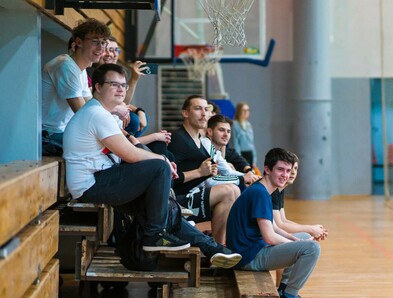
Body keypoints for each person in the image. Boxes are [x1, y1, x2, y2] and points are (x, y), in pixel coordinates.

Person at [62, 63, 241, 268]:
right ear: (98, 88)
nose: (121, 89)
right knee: (159, 168)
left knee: (168, 210)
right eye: (114, 84)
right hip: (91, 184)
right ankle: (154, 236)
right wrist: (163, 161)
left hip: (102, 179)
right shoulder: (96, 114)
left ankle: (212, 249)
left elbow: (132, 145)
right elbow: (130, 155)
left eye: (123, 85)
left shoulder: (102, 113)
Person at [226, 148, 321, 298]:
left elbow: (275, 228)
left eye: (288, 170)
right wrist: (296, 247)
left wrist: (295, 240)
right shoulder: (260, 193)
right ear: (267, 169)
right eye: (280, 170)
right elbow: (269, 236)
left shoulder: (264, 190)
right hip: (249, 257)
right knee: (312, 249)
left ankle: (283, 290)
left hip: (252, 249)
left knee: (303, 240)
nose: (285, 175)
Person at [168, 95, 241, 244]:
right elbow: (166, 178)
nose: (204, 113)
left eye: (206, 109)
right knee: (229, 191)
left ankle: (221, 244)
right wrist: (200, 173)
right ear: (185, 113)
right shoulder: (177, 139)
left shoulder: (199, 142)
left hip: (193, 195)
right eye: (197, 108)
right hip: (176, 201)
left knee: (233, 189)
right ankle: (218, 246)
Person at [42, 18, 111, 155]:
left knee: (115, 143)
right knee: (109, 148)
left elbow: (92, 105)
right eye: (95, 41)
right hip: (49, 134)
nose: (101, 47)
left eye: (103, 43)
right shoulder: (65, 65)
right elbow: (84, 114)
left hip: (63, 130)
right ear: (78, 42)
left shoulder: (81, 69)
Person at [272, 152, 328, 298]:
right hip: (262, 243)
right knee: (304, 242)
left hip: (270, 236)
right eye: (289, 169)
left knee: (306, 239)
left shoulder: (280, 190)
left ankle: (286, 291)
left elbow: (284, 221)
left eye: (295, 168)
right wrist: (310, 229)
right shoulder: (272, 190)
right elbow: (280, 225)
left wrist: (311, 228)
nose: (292, 172)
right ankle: (284, 292)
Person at [205, 114, 260, 186]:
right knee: (232, 189)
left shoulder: (217, 152)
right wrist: (243, 178)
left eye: (228, 131)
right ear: (210, 131)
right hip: (193, 193)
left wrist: (252, 177)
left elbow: (228, 172)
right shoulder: (206, 145)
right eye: (221, 130)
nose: (226, 134)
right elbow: (209, 181)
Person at [232, 102, 258, 171]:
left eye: (248, 110)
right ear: (239, 111)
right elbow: (235, 143)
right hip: (241, 154)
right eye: (244, 110)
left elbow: (252, 143)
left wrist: (254, 160)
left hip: (250, 154)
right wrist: (239, 158)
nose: (246, 112)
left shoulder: (248, 124)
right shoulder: (235, 124)